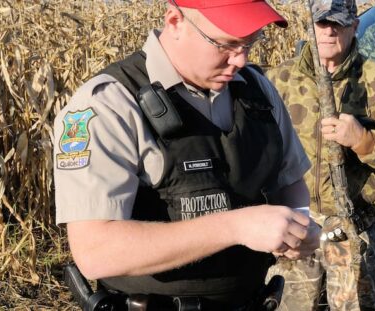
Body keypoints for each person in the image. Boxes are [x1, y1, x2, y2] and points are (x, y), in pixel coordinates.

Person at [52, 0, 321, 309]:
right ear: (175, 20)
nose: (240, 60)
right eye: (226, 44)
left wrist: (301, 223)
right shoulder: (109, 105)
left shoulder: (257, 90)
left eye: (250, 43)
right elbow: (96, 252)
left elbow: (289, 181)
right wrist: (235, 227)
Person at [264, 0, 375, 310]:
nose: (328, 31)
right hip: (296, 224)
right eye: (321, 22)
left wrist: (364, 140)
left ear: (354, 27)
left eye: (337, 23)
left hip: (357, 227)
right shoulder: (279, 81)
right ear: (309, 25)